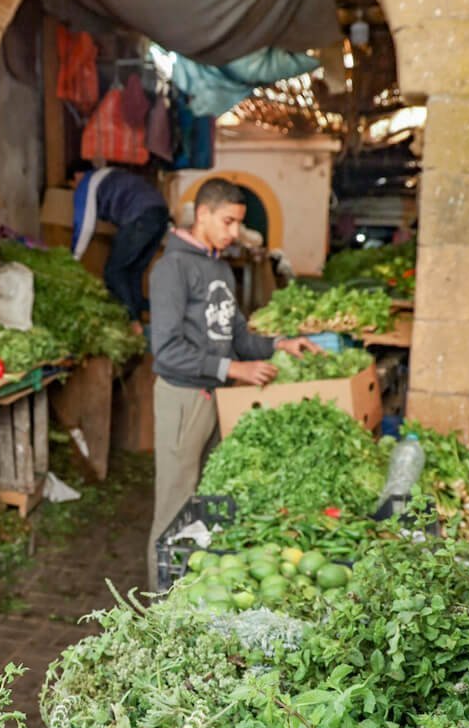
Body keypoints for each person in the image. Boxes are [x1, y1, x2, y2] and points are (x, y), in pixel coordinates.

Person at [147, 176, 319, 588]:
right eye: (227, 222)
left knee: (205, 500)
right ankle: (155, 605)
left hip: (214, 396)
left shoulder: (220, 267)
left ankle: (188, 593)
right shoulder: (172, 269)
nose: (234, 233)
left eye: (238, 223)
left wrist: (280, 345)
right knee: (174, 505)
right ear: (202, 214)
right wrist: (233, 370)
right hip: (184, 399)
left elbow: (237, 336)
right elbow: (167, 350)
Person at [72, 166, 170, 330]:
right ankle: (157, 319)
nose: (75, 190)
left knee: (114, 272)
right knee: (133, 272)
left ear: (76, 176)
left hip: (140, 215)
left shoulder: (88, 182)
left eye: (73, 186)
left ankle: (133, 324)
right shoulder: (113, 174)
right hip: (160, 213)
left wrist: (74, 257)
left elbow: (85, 224)